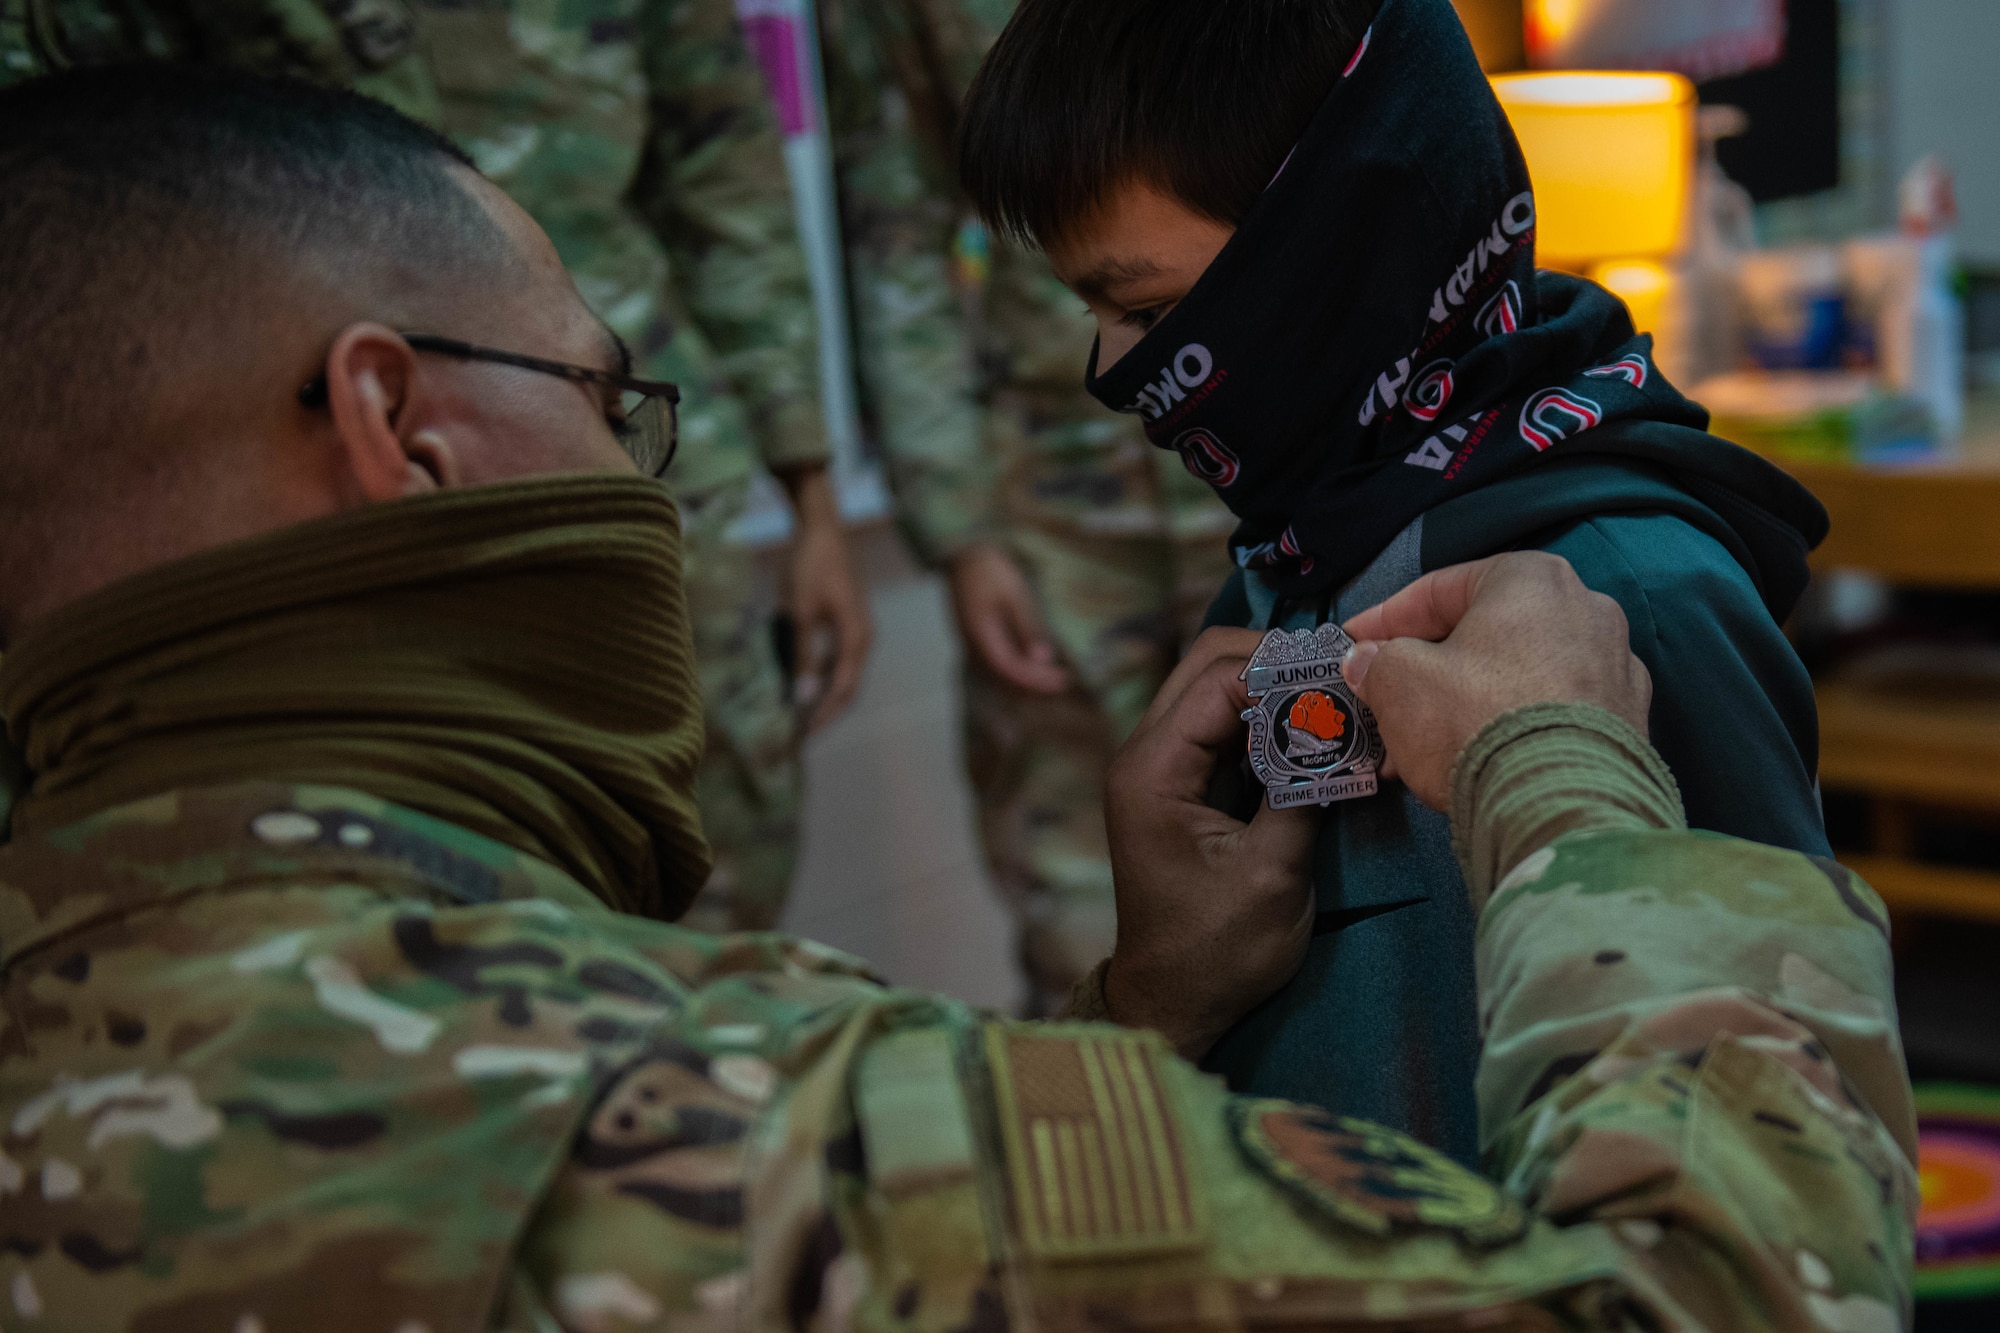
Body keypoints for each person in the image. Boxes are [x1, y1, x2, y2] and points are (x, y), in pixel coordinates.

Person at [0, 67, 1912, 1333]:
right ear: (392, 430)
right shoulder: (730, 1126)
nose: (640, 469)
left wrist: (1145, 1009)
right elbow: (1724, 1291)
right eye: (608, 394)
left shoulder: (1641, 572)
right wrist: (1563, 780)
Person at [956, 0, 1836, 1159]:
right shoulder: (1293, 551)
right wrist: (1151, 995)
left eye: (1150, 313)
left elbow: (1793, 1111)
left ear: (1335, 256)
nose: (1118, 375)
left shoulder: (1628, 595)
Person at [0, 0, 870, 933]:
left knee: (720, 825)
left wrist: (809, 488)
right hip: (275, 522)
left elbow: (723, 165)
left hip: (614, 441)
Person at [814, 0, 1239, 1014]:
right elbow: (897, 224)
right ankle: (1112, 1167)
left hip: (1275, 443)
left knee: (1341, 851)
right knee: (1080, 917)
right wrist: (959, 531)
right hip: (1046, 496)